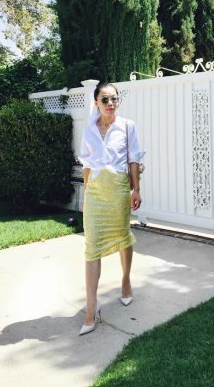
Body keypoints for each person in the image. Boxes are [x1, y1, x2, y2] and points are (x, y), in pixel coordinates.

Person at [78, 81, 144, 336]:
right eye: (105, 99)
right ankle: (90, 309)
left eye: (114, 99)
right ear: (96, 102)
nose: (110, 103)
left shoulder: (127, 127)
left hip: (118, 189)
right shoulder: (89, 130)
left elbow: (134, 159)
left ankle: (126, 281)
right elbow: (86, 163)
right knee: (91, 247)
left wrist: (135, 189)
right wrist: (86, 194)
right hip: (95, 191)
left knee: (123, 237)